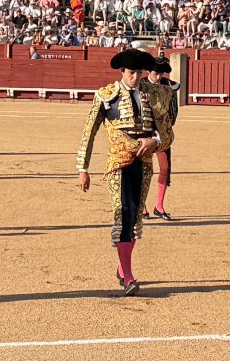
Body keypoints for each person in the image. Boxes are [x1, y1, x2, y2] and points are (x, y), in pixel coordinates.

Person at [77, 48, 168, 295]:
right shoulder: (106, 95)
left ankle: (122, 267)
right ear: (122, 71)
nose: (136, 77)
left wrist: (155, 142)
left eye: (139, 73)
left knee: (136, 216)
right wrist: (83, 168)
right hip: (118, 162)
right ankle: (128, 277)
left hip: (144, 163)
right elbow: (89, 132)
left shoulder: (154, 94)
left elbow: (167, 132)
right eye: (131, 73)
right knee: (123, 213)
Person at [146, 52, 182, 219]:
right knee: (143, 171)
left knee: (165, 168)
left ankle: (159, 206)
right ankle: (142, 206)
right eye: (155, 73)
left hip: (162, 134)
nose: (158, 77)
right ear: (148, 72)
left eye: (161, 74)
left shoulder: (168, 85)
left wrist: (167, 128)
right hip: (144, 134)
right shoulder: (141, 84)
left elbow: (173, 110)